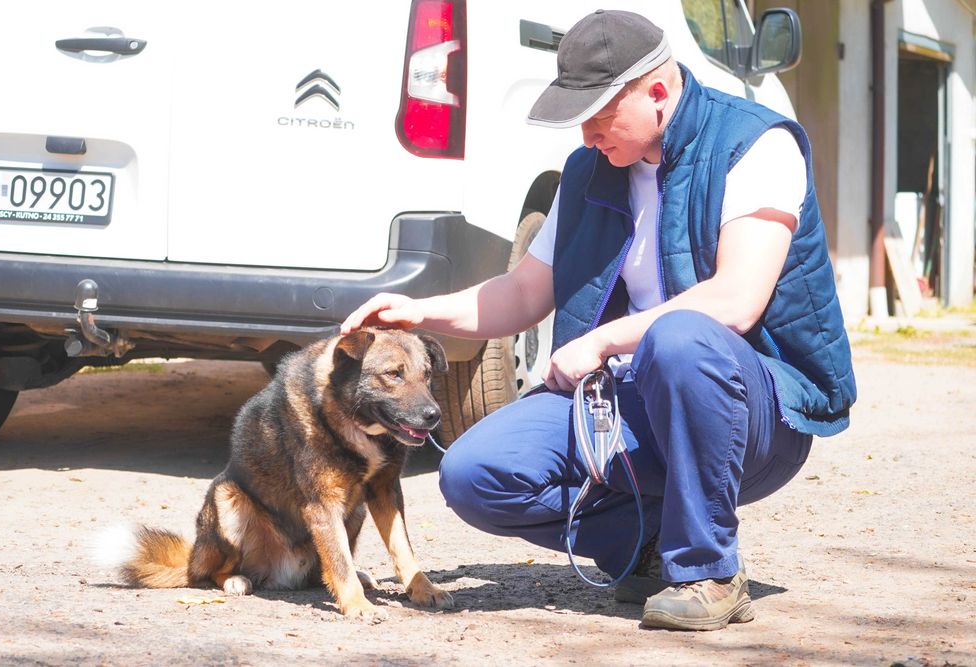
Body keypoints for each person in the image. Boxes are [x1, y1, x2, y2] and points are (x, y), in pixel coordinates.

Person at [341, 9, 856, 631]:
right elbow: (522, 291)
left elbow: (736, 300)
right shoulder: (589, 170)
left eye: (600, 117)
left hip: (752, 410)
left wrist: (602, 340)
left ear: (658, 93)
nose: (587, 138)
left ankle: (708, 572)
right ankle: (646, 540)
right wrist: (420, 312)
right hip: (625, 397)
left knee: (681, 338)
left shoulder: (756, 142)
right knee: (473, 475)